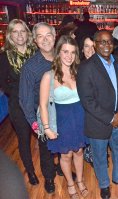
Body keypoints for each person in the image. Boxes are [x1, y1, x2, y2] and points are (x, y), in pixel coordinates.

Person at [77, 30, 118, 199]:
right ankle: (104, 185)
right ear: (95, 44)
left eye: (109, 42)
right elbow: (87, 100)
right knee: (100, 156)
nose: (106, 45)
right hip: (98, 122)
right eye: (102, 42)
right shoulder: (86, 67)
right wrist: (110, 118)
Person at [39, 35, 88, 199]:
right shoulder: (49, 76)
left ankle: (80, 180)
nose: (69, 56)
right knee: (66, 155)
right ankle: (70, 183)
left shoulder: (79, 72)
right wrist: (46, 128)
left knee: (79, 151)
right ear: (58, 52)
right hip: (62, 120)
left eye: (73, 52)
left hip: (80, 117)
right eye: (65, 51)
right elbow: (43, 105)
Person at [19, 22, 57, 193]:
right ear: (35, 41)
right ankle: (49, 178)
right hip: (44, 115)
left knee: (64, 146)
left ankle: (62, 167)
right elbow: (25, 99)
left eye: (48, 34)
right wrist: (36, 124)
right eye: (40, 36)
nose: (45, 39)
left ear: (54, 35)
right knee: (46, 150)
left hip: (65, 111)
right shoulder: (30, 67)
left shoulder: (65, 56)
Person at [0, 19, 37, 185]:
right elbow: (3, 83)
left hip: (38, 102)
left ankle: (50, 165)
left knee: (44, 137)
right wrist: (19, 92)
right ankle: (30, 171)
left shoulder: (36, 52)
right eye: (15, 31)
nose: (20, 35)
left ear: (27, 33)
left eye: (22, 31)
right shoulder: (4, 57)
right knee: (24, 138)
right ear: (10, 35)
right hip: (17, 104)